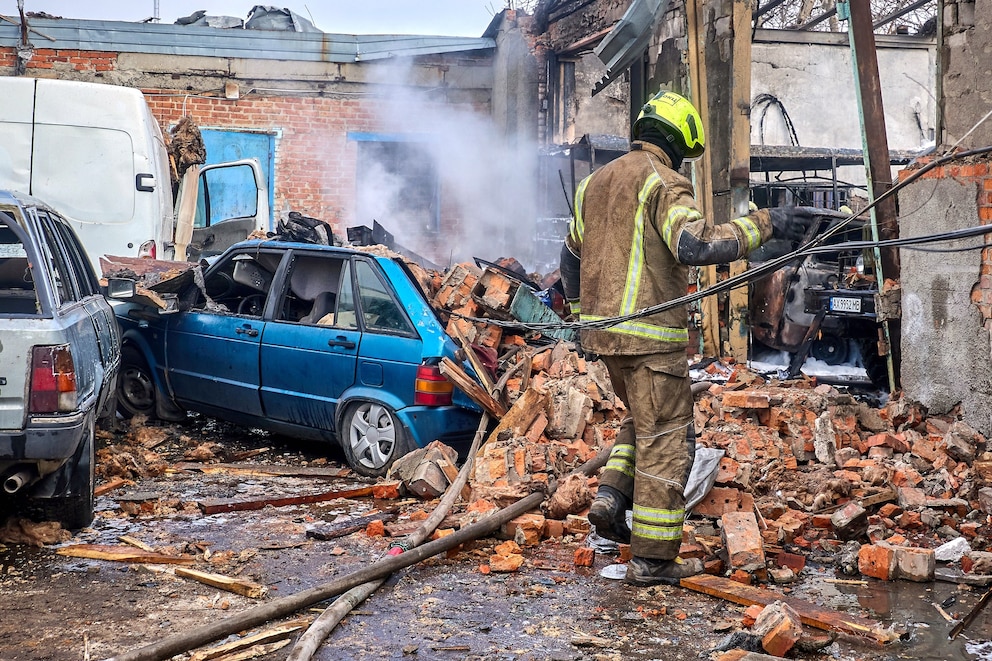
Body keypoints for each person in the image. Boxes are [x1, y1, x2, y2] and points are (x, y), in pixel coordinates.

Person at [559, 89, 813, 586]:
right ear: (675, 143)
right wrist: (769, 223)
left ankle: (611, 498)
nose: (685, 165)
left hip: (605, 341)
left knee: (643, 422)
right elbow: (695, 244)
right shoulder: (662, 181)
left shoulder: (592, 183)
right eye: (685, 155)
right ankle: (653, 561)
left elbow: (569, 259)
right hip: (651, 340)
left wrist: (578, 317)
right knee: (669, 443)